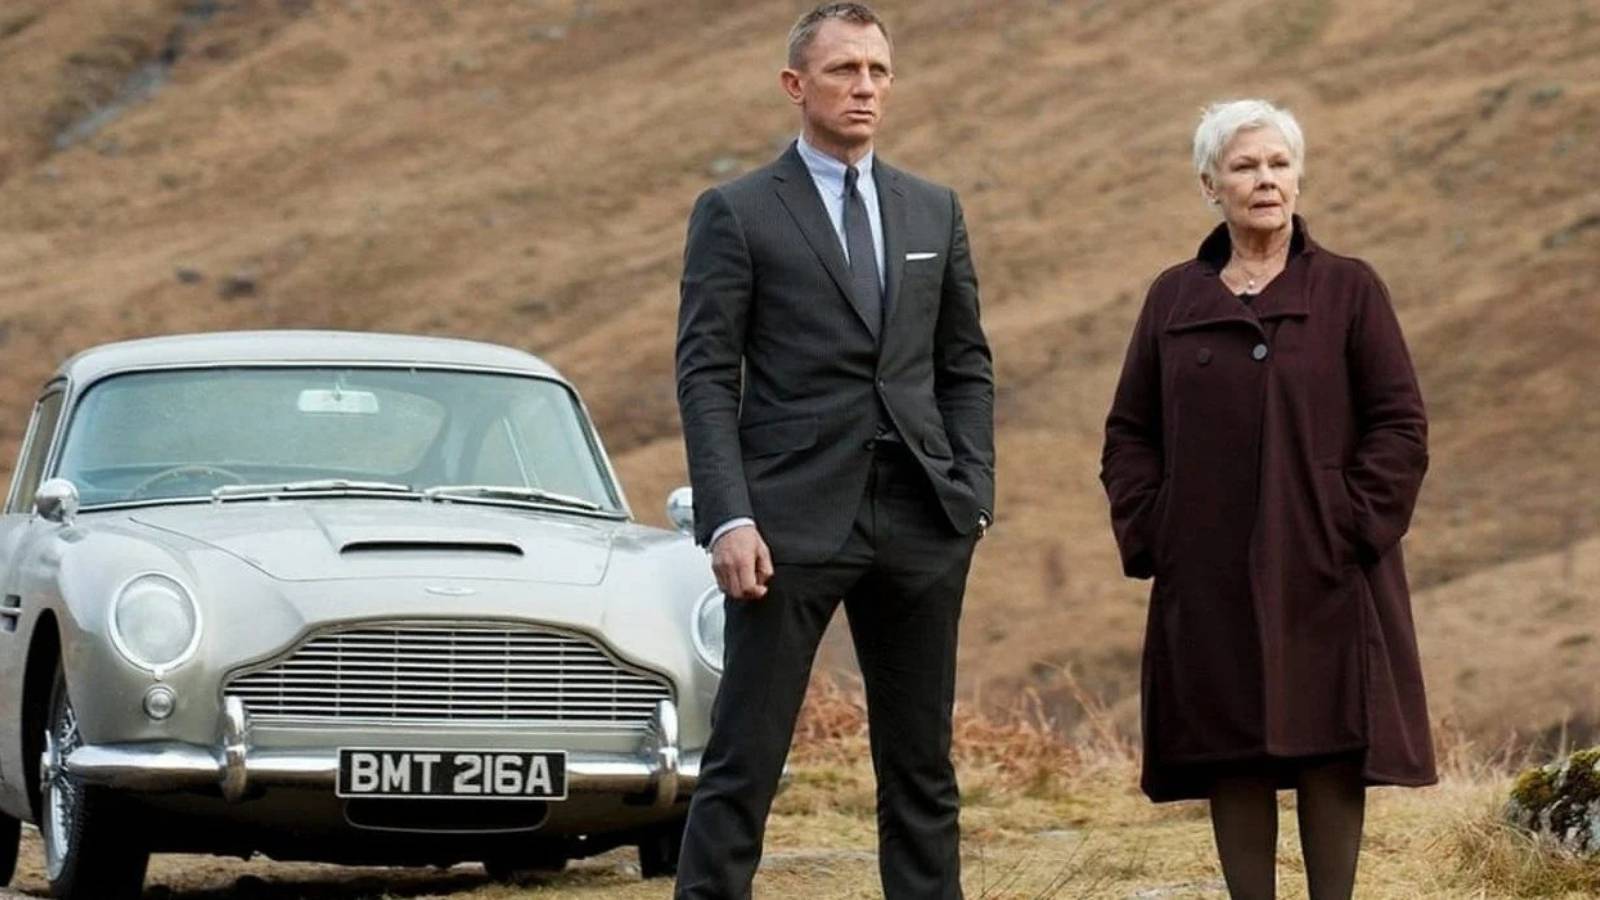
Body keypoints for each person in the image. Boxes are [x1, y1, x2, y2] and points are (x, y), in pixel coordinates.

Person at [673, 3, 994, 897]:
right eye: (845, 70)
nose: (864, 87)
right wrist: (728, 516)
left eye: (878, 72)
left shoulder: (934, 208)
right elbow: (705, 376)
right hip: (786, 525)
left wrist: (972, 495)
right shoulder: (735, 213)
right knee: (745, 761)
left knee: (922, 770)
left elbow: (964, 364)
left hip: (923, 522)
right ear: (795, 85)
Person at [1099, 99, 1435, 900]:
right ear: (1209, 184)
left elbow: (1400, 424)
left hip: (1327, 565)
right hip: (1206, 570)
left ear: (1299, 177)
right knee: (1232, 748)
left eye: (1279, 164)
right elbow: (1129, 433)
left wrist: (1351, 522)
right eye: (1246, 166)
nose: (1266, 181)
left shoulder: (1350, 290)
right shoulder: (1173, 298)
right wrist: (1156, 527)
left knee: (1329, 743)